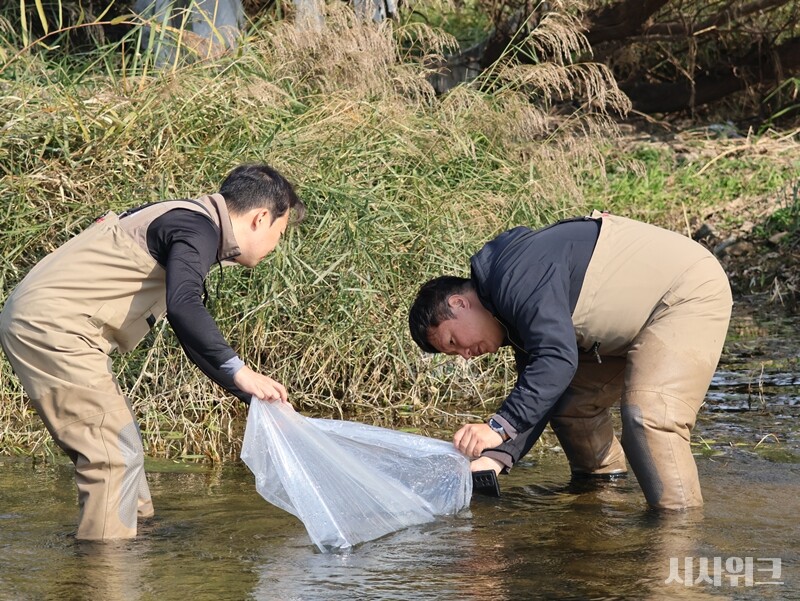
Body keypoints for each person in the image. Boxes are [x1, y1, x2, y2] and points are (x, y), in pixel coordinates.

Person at [0, 163, 305, 539]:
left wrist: (251, 394)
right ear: (261, 218)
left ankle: (135, 541)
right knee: (111, 459)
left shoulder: (192, 222)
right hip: (54, 329)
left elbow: (186, 325)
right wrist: (241, 370)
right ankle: (106, 574)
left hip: (58, 328)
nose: (277, 244)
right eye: (281, 231)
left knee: (124, 444)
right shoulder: (197, 229)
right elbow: (184, 306)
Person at [408, 211, 732, 509]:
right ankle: (605, 495)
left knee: (649, 417)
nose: (465, 354)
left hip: (686, 291)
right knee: (570, 406)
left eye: (454, 341)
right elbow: (543, 390)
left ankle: (677, 534)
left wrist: (497, 427)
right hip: (630, 325)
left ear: (459, 303)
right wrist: (495, 457)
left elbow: (557, 360)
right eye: (454, 354)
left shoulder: (515, 276)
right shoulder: (508, 310)